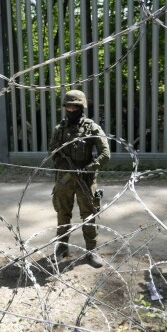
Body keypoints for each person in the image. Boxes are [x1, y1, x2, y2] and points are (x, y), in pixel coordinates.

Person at [49, 89, 111, 268]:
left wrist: (87, 169)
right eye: (68, 105)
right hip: (64, 179)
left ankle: (91, 251)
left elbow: (105, 154)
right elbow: (52, 151)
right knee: (62, 214)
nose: (71, 108)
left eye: (74, 106)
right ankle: (61, 247)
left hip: (85, 180)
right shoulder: (59, 129)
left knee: (89, 216)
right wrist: (64, 163)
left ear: (81, 106)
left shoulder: (92, 128)